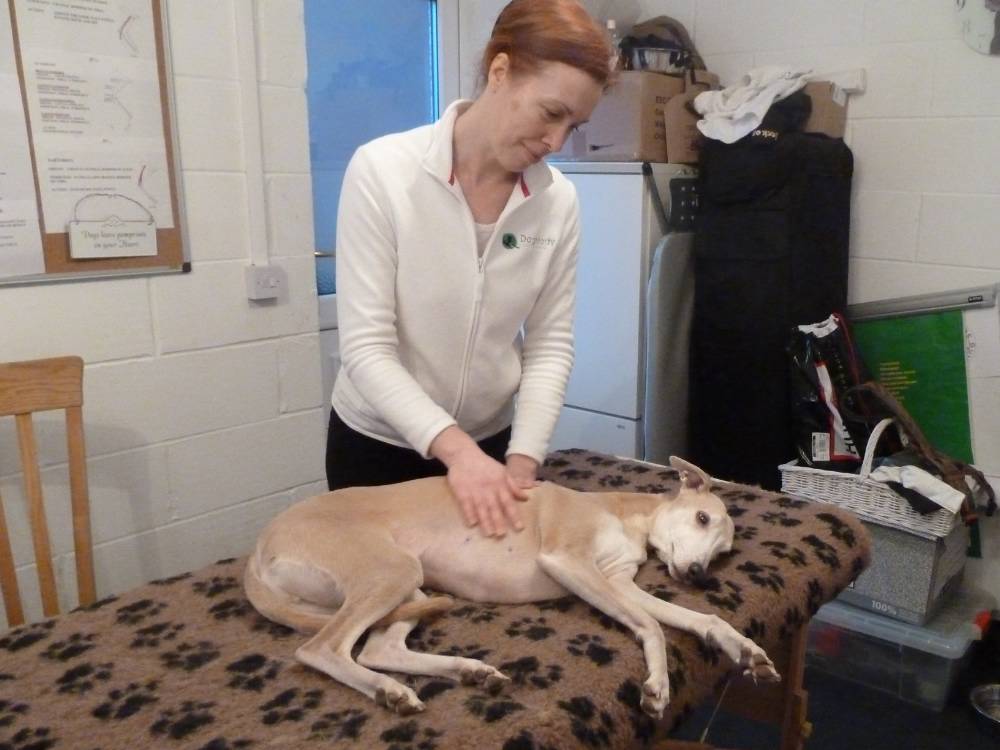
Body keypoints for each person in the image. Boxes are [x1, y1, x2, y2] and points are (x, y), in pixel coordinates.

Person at [327, 0, 612, 537]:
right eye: (550, 113)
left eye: (574, 125)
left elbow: (549, 344)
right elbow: (366, 348)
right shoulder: (384, 172)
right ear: (500, 71)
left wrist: (523, 461)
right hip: (379, 447)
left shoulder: (557, 201)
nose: (556, 142)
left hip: (491, 445)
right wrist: (456, 453)